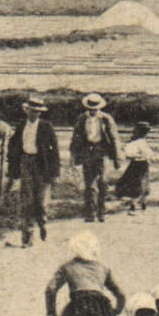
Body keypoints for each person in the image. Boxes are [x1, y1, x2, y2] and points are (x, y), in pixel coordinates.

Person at [5, 96, 61, 247]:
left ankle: (42, 224)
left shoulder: (46, 126)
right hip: (25, 163)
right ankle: (27, 237)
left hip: (42, 165)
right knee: (26, 200)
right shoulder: (21, 125)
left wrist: (55, 172)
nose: (33, 114)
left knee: (41, 201)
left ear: (40, 113)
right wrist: (13, 167)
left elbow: (55, 151)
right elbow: (13, 146)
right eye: (31, 111)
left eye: (36, 112)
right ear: (26, 111)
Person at [69, 93, 121, 222]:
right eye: (90, 108)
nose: (92, 111)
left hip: (102, 151)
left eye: (95, 108)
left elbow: (114, 138)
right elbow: (76, 137)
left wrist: (117, 158)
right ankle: (90, 213)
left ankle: (101, 211)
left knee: (103, 181)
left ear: (99, 108)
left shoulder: (106, 119)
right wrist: (74, 155)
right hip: (87, 152)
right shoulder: (82, 119)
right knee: (89, 184)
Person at [114, 121, 154, 213]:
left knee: (141, 184)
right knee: (138, 184)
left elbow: (149, 154)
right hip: (137, 165)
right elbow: (128, 153)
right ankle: (137, 204)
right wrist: (138, 155)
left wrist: (147, 156)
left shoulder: (141, 142)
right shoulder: (137, 142)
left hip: (141, 164)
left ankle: (142, 202)